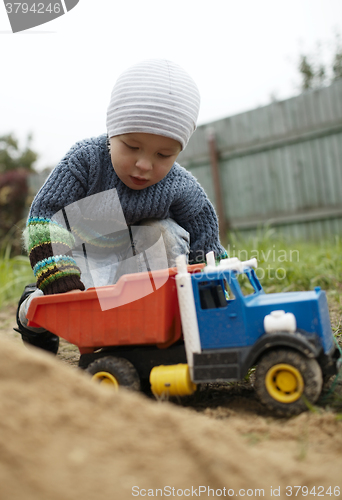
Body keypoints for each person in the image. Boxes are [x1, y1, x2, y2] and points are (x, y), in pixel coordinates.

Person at [16, 59, 228, 354]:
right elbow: (44, 218)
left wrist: (211, 289)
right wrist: (59, 274)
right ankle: (33, 313)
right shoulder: (85, 161)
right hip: (83, 264)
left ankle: (158, 324)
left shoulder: (180, 186)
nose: (144, 164)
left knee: (165, 231)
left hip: (139, 274)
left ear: (179, 151)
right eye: (131, 146)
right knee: (45, 309)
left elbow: (206, 241)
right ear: (112, 131)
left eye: (163, 154)